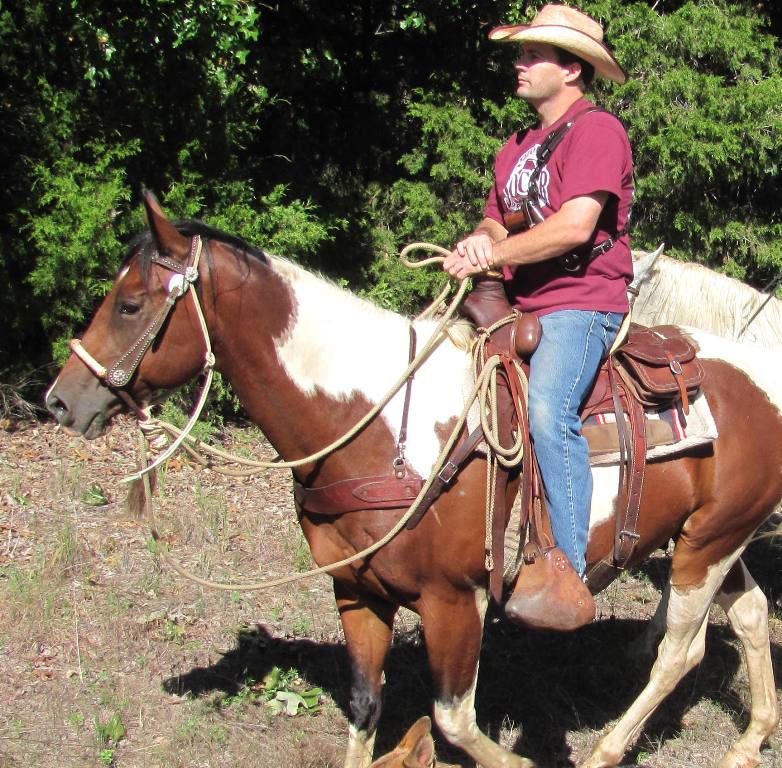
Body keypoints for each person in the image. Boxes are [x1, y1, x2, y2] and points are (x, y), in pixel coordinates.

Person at [443, 4, 633, 629]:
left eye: (533, 55)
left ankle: (565, 570)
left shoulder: (597, 131)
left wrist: (495, 254)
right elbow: (498, 219)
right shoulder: (517, 147)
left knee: (549, 409)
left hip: (581, 301)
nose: (519, 65)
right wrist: (478, 242)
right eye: (520, 54)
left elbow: (576, 226)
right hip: (517, 303)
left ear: (572, 69)